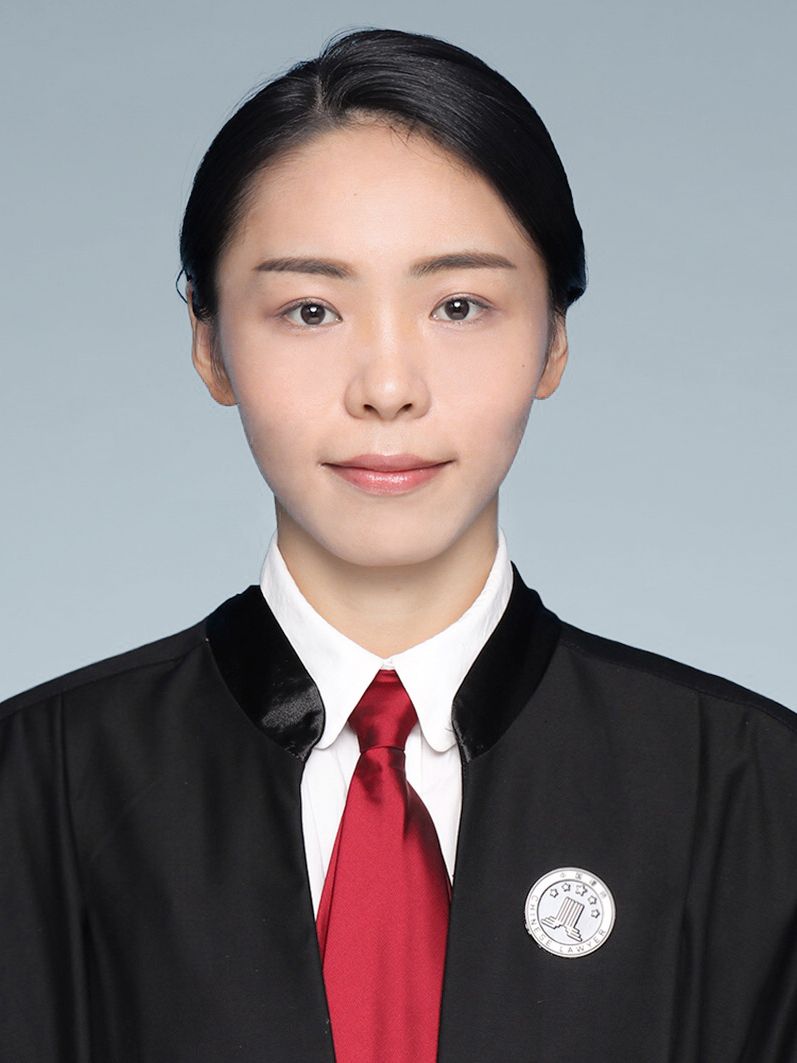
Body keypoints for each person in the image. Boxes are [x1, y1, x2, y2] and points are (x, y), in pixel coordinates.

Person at [1, 25, 795, 1063]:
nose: (386, 387)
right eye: (310, 309)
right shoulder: (37, 786)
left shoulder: (753, 792)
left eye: (459, 306)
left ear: (553, 337)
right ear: (208, 342)